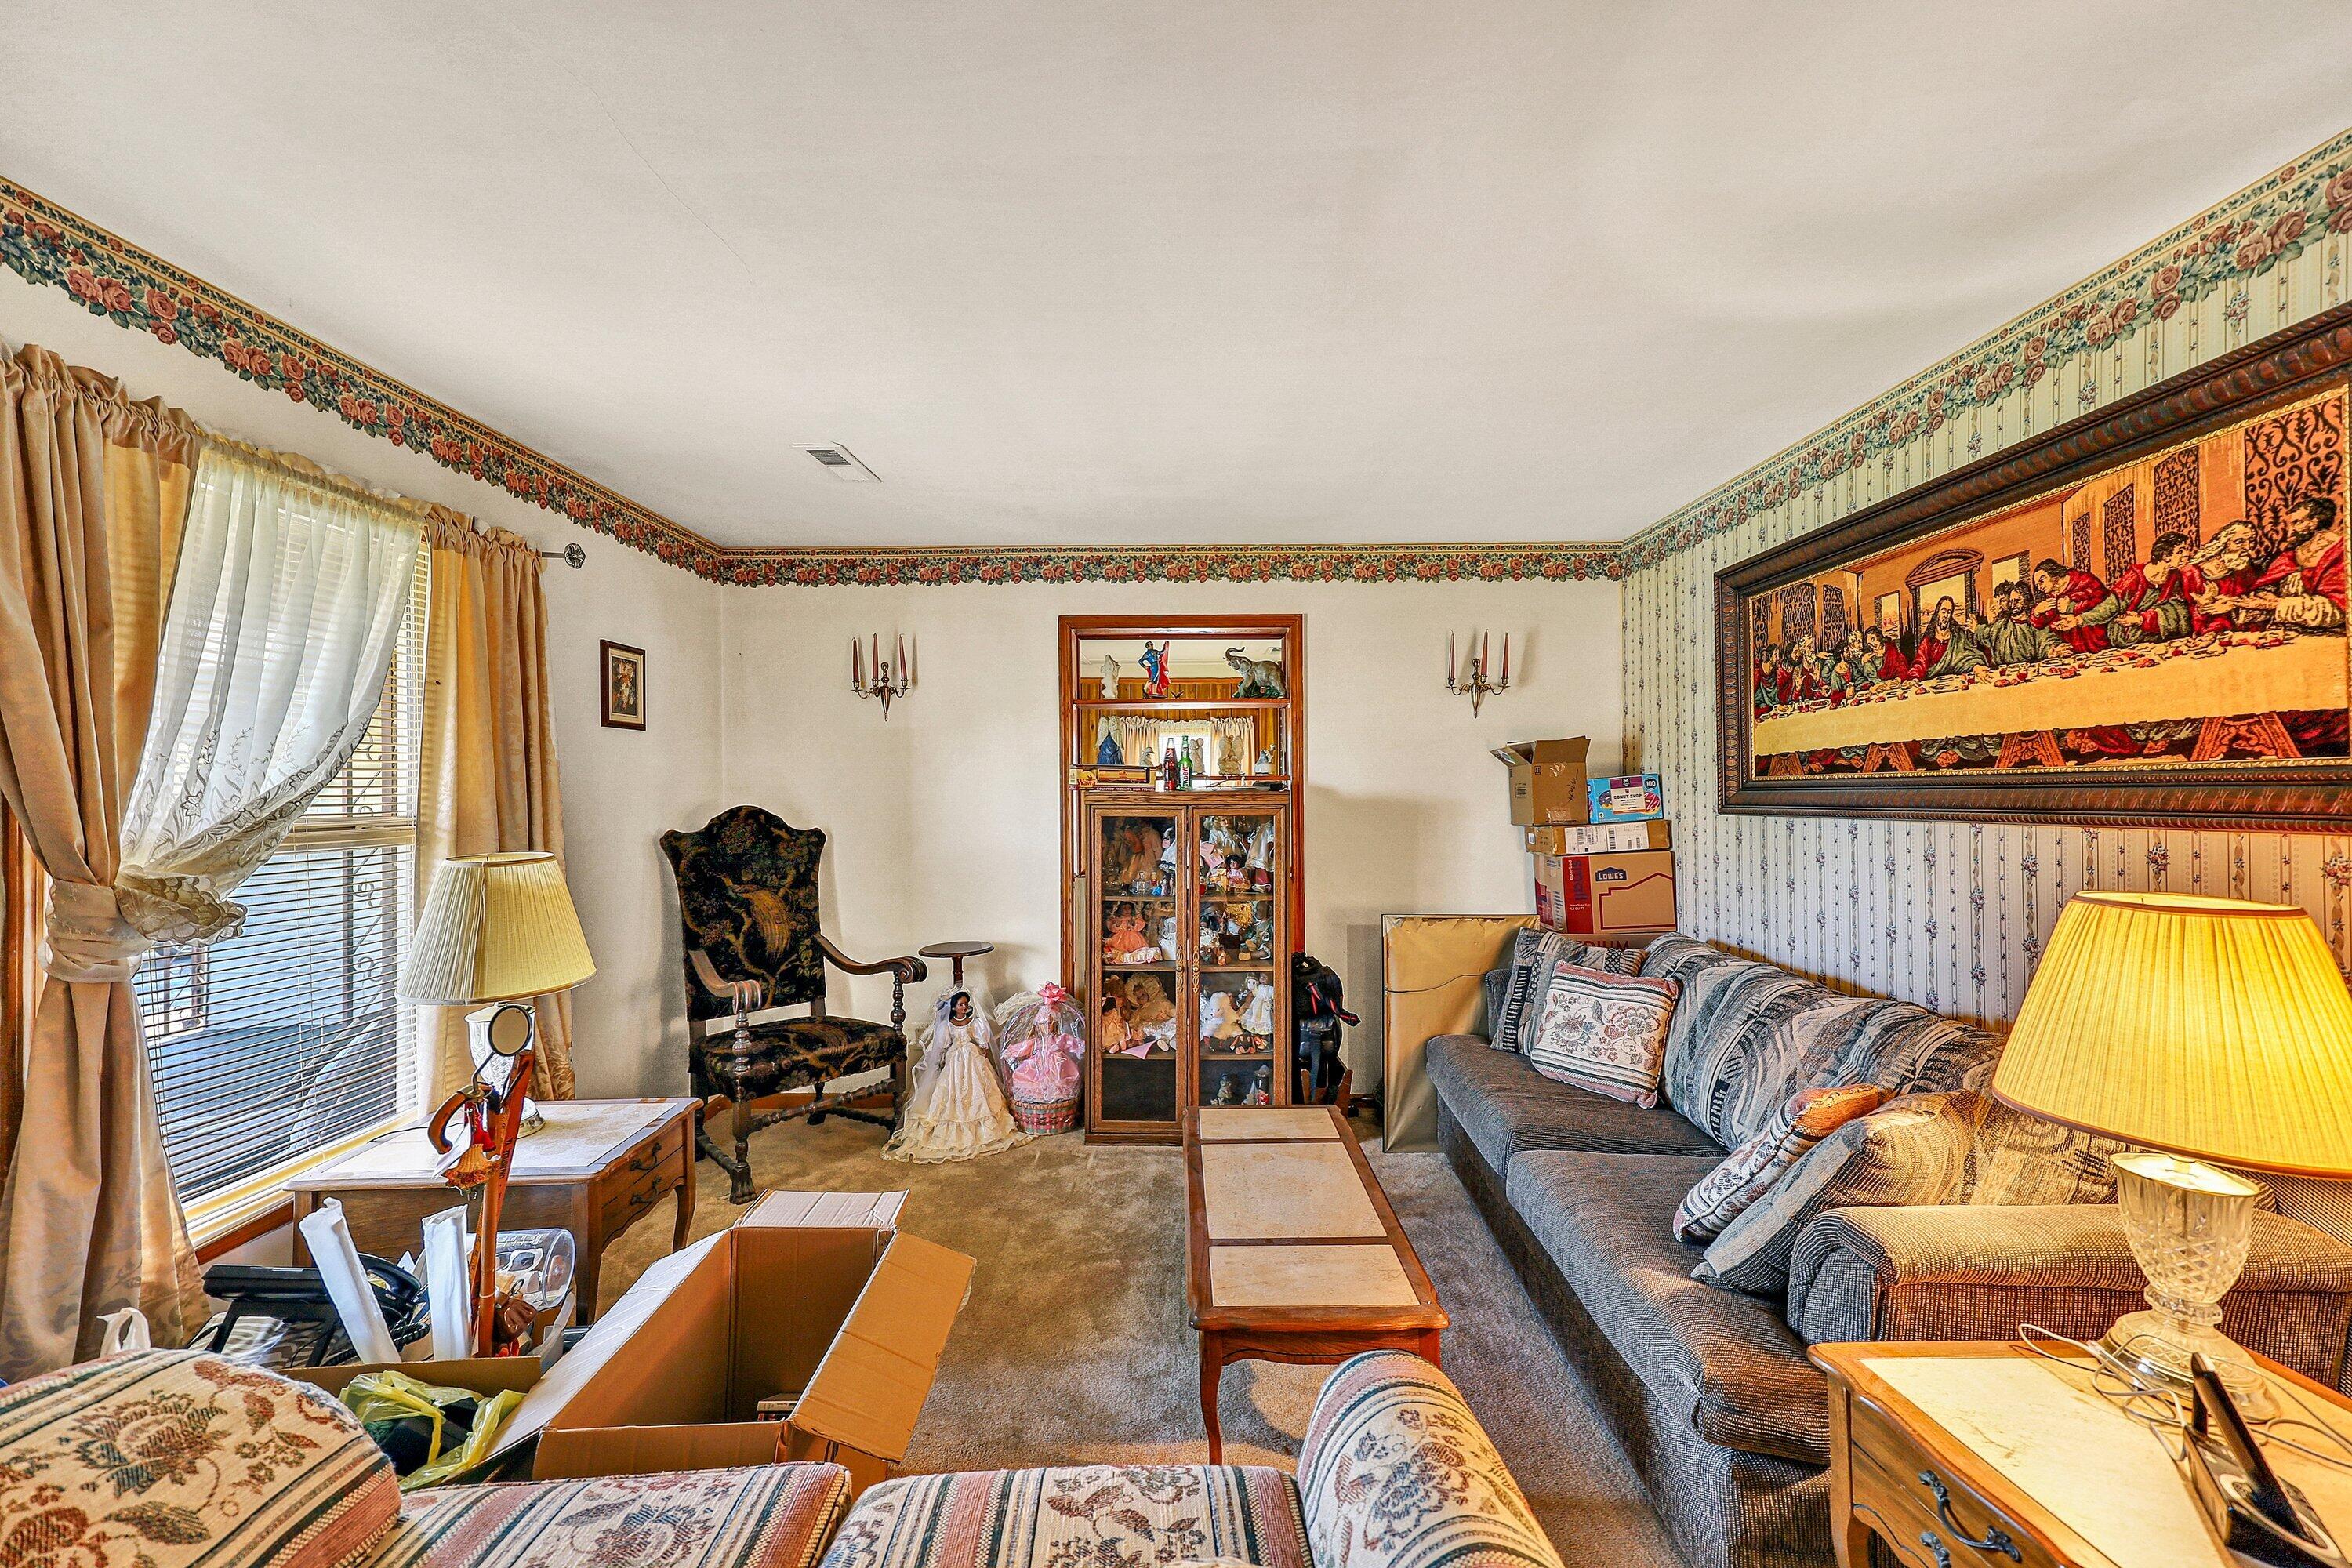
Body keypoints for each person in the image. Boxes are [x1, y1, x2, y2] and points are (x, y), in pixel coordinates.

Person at [884, 987, 1032, 1163]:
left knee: (980, 1088)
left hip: (972, 1057)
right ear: (953, 1007)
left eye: (966, 1004)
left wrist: (982, 1048)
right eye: (961, 1004)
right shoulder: (947, 1025)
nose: (964, 1007)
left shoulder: (975, 1023)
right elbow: (942, 1046)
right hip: (955, 1059)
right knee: (950, 1091)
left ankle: (985, 1124)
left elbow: (982, 1043)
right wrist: (940, 1060)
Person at [2239, 495, 2346, 633]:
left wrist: (2275, 605)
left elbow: (2337, 609)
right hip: (2286, 632)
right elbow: (2269, 584)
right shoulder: (2291, 554)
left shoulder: (2340, 552)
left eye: (2297, 522)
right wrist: (2265, 594)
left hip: (2327, 635)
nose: (2291, 530)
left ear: (2314, 522)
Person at [2107, 532, 2198, 645]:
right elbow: (2112, 605)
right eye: (2180, 551)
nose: (2187, 554)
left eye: (2187, 550)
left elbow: (2180, 609)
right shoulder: (2135, 576)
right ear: (2165, 556)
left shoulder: (2176, 577)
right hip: (2128, 633)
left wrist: (2142, 619)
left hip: (2159, 633)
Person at [2028, 558, 2120, 652]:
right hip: (2073, 650)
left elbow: (2105, 605)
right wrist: (2037, 612)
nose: (2040, 587)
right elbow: (2043, 625)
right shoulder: (2051, 596)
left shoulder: (2084, 580)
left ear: (2054, 574)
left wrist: (2072, 606)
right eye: (2037, 585)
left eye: (2042, 580)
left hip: (2098, 644)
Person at [2190, 522, 2267, 632]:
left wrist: (2234, 604)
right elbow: (2191, 613)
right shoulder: (2194, 573)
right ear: (2224, 543)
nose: (2248, 547)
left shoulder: (2245, 567)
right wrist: (2204, 606)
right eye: (2239, 542)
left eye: (2251, 541)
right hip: (2208, 632)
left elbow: (2252, 595)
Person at [1975, 581, 2057, 666]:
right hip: (2005, 672)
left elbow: (2046, 639)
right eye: (2011, 601)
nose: (2013, 605)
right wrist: (1978, 627)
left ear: (2027, 600)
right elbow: (1987, 634)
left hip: (2029, 670)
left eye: (2017, 600)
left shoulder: (2035, 622)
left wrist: (2050, 650)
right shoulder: (2003, 624)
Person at [1911, 597, 1987, 678]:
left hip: (1957, 682)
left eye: (1949, 612)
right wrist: (1914, 678)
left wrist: (1976, 667)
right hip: (1934, 684)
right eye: (1943, 612)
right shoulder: (1929, 640)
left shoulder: (1958, 635)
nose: (1946, 616)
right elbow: (1919, 664)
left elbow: (1968, 656)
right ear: (1937, 613)